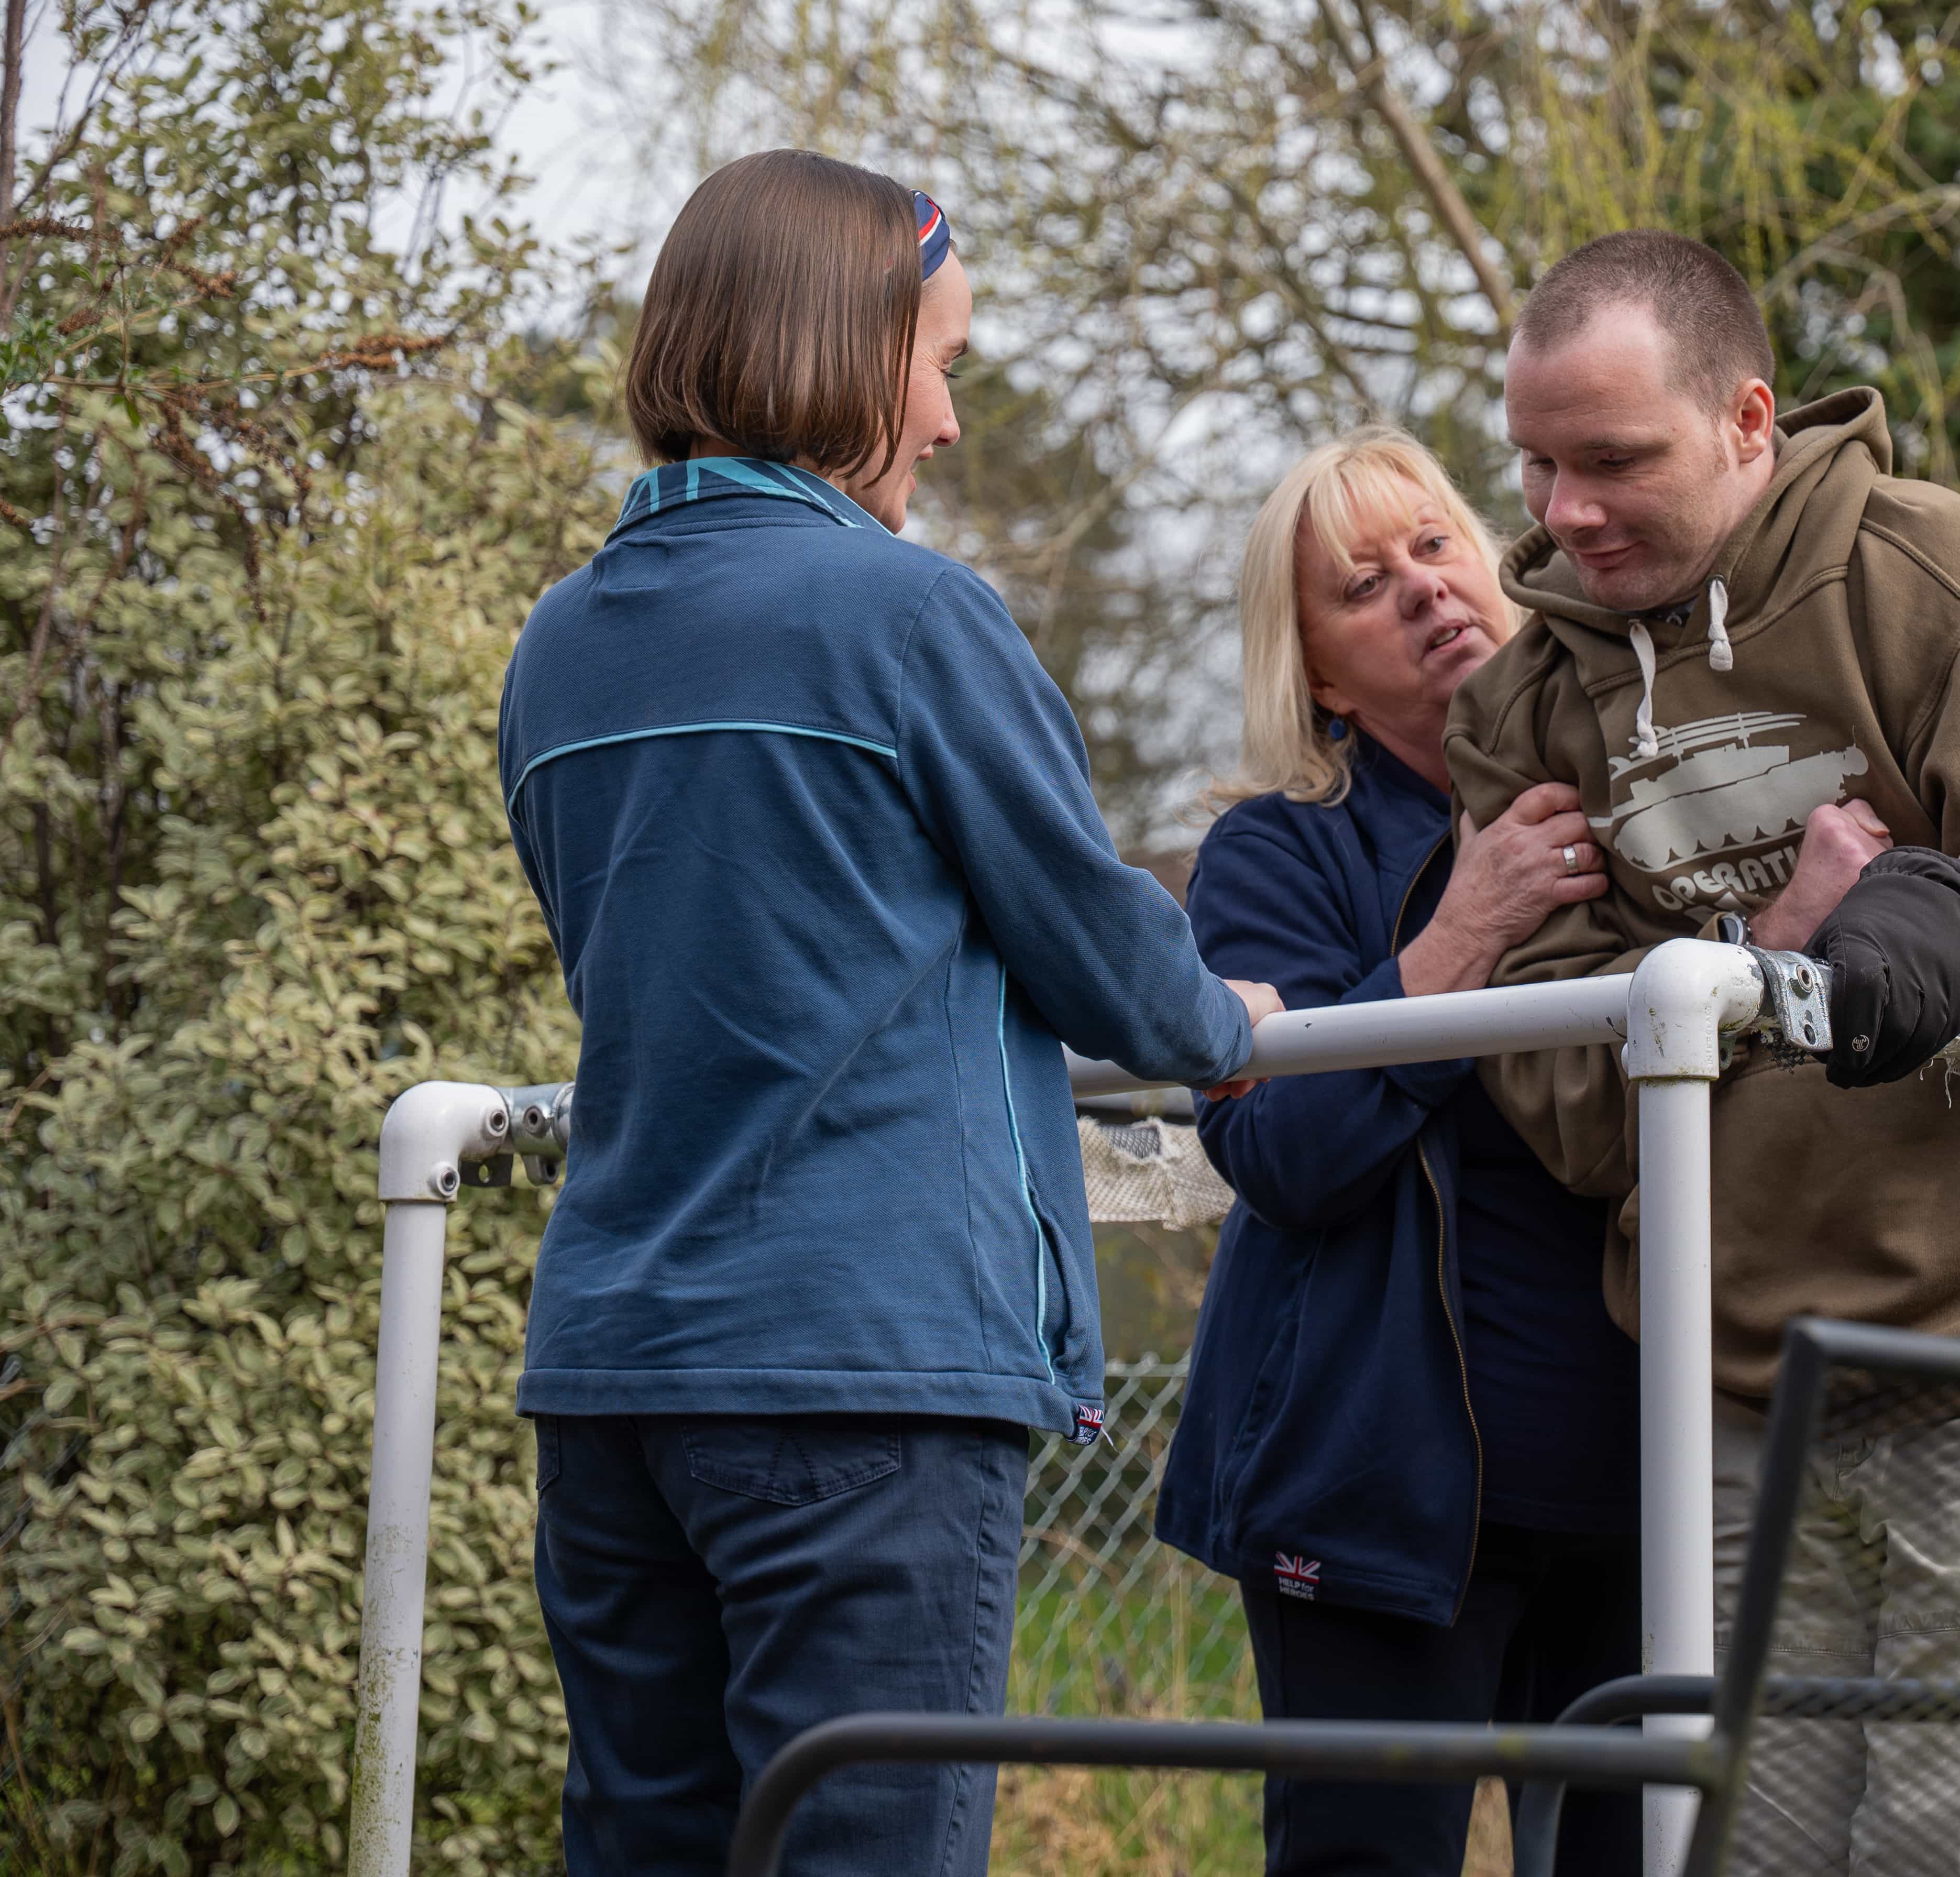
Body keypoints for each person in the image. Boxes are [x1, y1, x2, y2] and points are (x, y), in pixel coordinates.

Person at [494, 149, 1279, 1877]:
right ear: (844, 353)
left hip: (618, 1370)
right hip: (861, 1375)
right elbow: (1108, 965)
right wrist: (1234, 1016)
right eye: (939, 365)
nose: (941, 421)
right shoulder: (907, 616)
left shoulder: (560, 647)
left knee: (651, 1846)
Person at [1443, 231, 1960, 1875]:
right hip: (1739, 1395)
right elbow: (1579, 1112)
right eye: (1533, 462)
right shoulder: (1527, 703)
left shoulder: (1930, 571)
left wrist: (1945, 910)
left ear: (1746, 420)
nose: (1563, 510)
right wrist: (1772, 957)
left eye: (1612, 459)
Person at [1157, 429, 1645, 1875]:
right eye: (1364, 586)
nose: (1427, 592)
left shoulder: (1635, 784)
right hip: (1373, 1500)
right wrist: (1460, 937)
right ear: (1315, 676)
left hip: (1640, 1488)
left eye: (1436, 546)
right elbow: (1284, 1153)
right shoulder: (1274, 857)